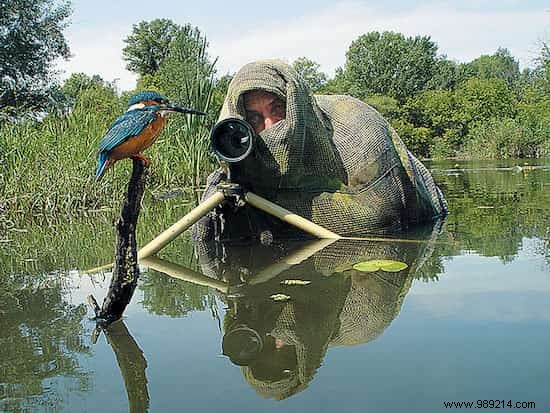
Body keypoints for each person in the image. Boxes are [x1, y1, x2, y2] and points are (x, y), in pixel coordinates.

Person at [193, 60, 447, 242]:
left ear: (296, 107)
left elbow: (382, 218)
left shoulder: (357, 133)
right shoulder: (247, 159)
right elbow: (205, 240)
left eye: (277, 109)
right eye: (255, 118)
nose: (270, 127)